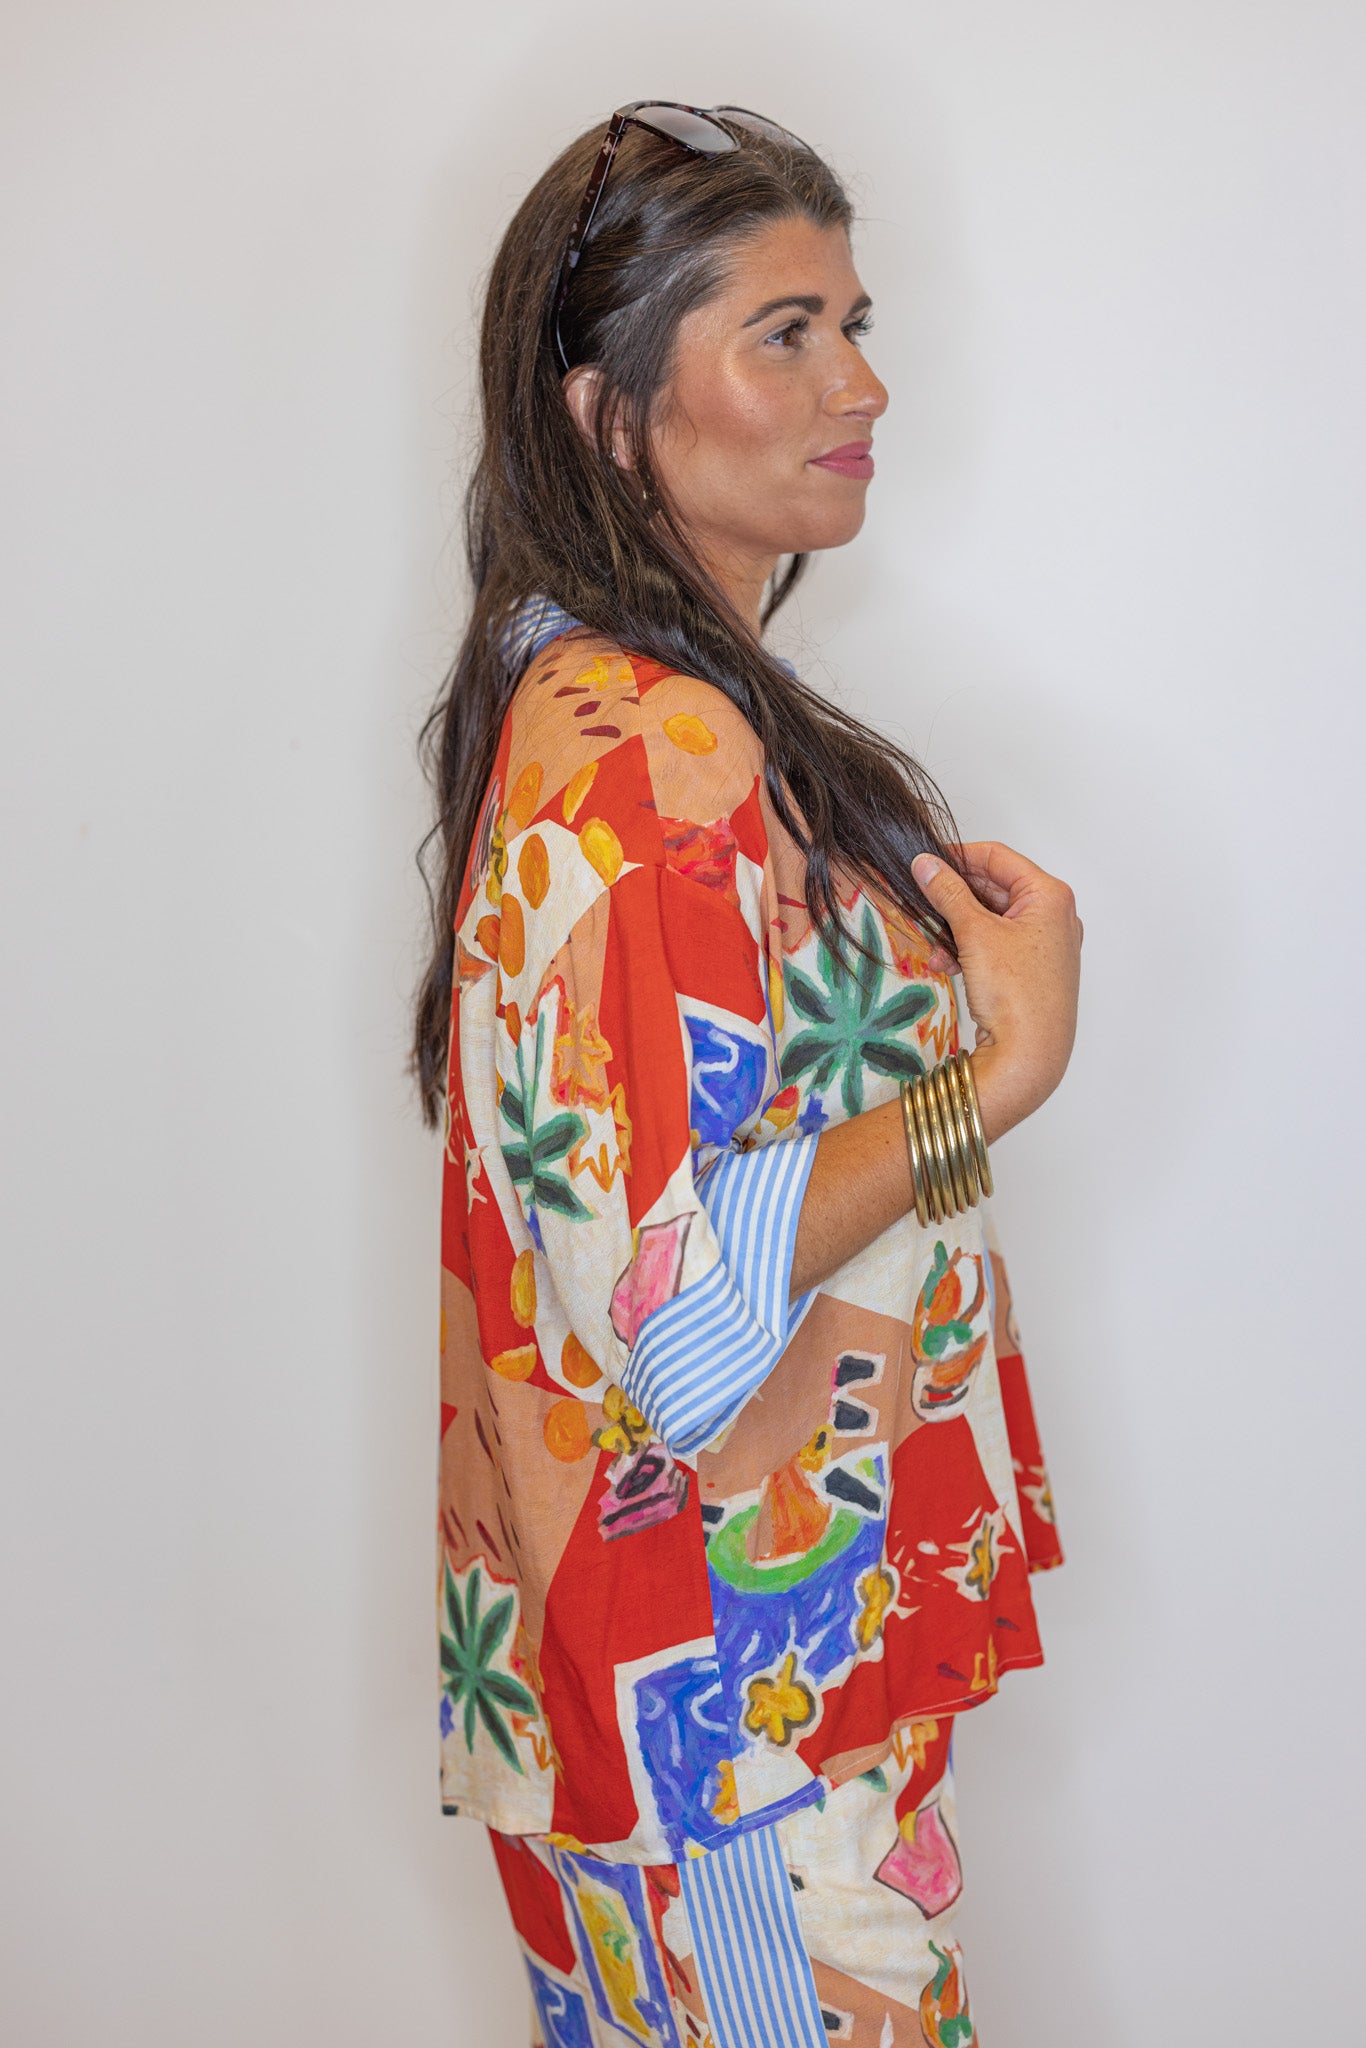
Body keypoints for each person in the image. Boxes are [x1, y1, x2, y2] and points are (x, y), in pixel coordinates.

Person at [412, 101, 1082, 2048]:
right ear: (608, 413)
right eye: (781, 333)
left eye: (851, 323)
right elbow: (667, 1313)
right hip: (728, 1721)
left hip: (720, 1693)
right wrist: (999, 1068)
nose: (858, 383)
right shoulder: (650, 755)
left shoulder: (615, 706)